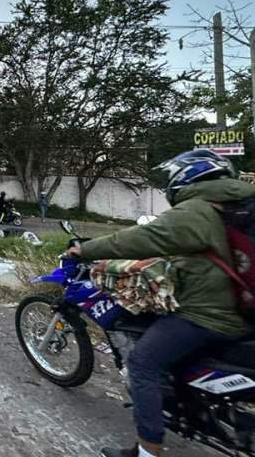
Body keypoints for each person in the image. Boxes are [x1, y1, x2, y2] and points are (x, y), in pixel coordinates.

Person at [67, 149, 253, 457]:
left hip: (211, 316)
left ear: (187, 177)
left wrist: (84, 249)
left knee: (142, 362)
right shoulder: (243, 204)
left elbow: (140, 239)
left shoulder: (198, 209)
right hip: (246, 309)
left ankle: (147, 451)